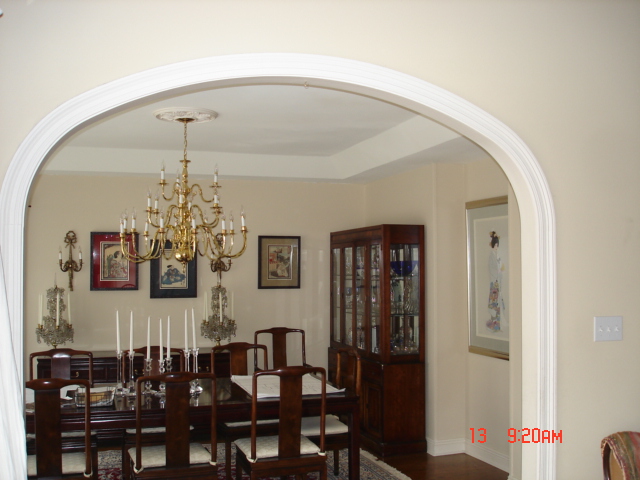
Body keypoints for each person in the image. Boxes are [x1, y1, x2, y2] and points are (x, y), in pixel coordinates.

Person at [487, 231, 506, 332]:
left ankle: (498, 323)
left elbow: (501, 267)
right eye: (495, 245)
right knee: (494, 303)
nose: (496, 247)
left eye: (497, 245)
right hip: (494, 282)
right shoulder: (491, 256)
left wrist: (501, 270)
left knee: (498, 303)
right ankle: (493, 323)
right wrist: (497, 273)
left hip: (498, 281)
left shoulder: (497, 255)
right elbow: (492, 269)